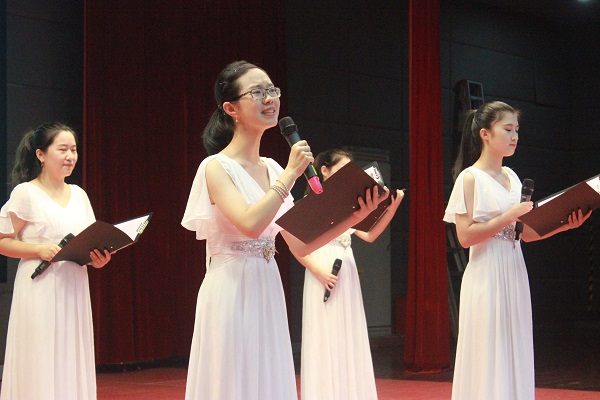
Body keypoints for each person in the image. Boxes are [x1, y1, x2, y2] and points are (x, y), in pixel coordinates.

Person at [181, 61, 387, 400]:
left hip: (267, 285)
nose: (269, 98)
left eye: (272, 90)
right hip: (230, 289)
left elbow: (300, 244)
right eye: (257, 92)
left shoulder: (273, 168)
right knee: (234, 381)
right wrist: (291, 174)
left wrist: (354, 217)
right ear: (231, 109)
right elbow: (250, 224)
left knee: (268, 379)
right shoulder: (216, 167)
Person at [443, 101, 592, 400]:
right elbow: (465, 237)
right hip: (485, 273)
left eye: (517, 130)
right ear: (485, 134)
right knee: (488, 350)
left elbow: (523, 234)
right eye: (508, 129)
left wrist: (565, 225)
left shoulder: (511, 176)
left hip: (514, 269)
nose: (514, 137)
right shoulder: (470, 178)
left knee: (515, 346)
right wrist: (509, 215)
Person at [0, 122, 112, 400]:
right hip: (40, 287)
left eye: (74, 150)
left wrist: (97, 259)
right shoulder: (26, 193)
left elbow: (88, 240)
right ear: (41, 154)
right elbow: (2, 241)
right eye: (62, 149)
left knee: (70, 355)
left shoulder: (79, 195)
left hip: (73, 287)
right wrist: (38, 250)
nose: (70, 156)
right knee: (40, 357)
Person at [292, 148, 404, 400]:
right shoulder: (310, 204)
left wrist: (391, 208)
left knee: (348, 334)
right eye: (341, 170)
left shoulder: (348, 206)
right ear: (324, 171)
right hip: (322, 270)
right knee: (324, 336)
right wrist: (320, 273)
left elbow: (370, 235)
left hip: (346, 271)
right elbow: (295, 247)